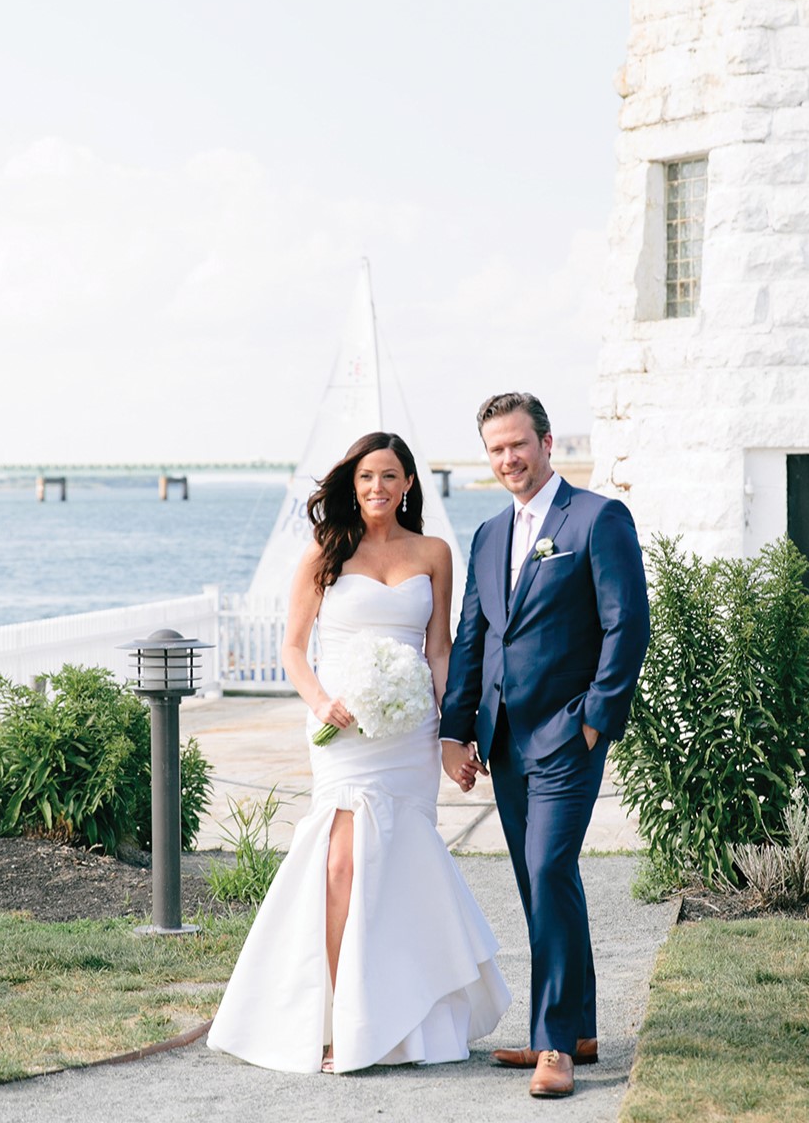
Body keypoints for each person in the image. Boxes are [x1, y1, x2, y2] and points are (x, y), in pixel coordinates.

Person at [207, 430, 511, 1074]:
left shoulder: (434, 552)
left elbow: (439, 650)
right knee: (339, 866)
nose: (378, 487)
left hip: (409, 738)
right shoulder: (325, 550)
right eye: (367, 476)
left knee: (399, 865)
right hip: (343, 736)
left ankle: (401, 1017)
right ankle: (337, 1019)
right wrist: (322, 703)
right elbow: (292, 646)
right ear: (353, 482)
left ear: (408, 485)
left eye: (391, 476)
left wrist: (453, 736)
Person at [439, 393, 649, 1101]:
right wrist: (456, 727)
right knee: (541, 882)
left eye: (518, 445)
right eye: (495, 450)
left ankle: (554, 1045)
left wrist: (595, 718)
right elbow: (475, 637)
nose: (508, 460)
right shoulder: (489, 534)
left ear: (548, 442)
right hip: (503, 743)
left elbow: (627, 626)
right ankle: (580, 1027)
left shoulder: (596, 518)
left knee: (548, 866)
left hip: (567, 735)